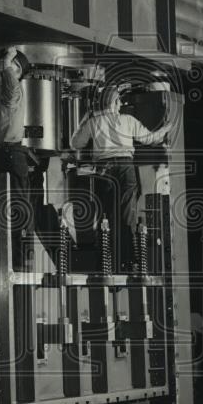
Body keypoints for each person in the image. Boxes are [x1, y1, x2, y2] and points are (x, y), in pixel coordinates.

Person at [70, 84, 169, 270]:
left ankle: (108, 262)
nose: (120, 105)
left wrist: (88, 116)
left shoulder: (94, 121)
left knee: (106, 214)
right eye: (119, 102)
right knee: (127, 213)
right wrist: (166, 129)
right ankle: (129, 260)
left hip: (103, 170)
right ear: (115, 102)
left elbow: (75, 142)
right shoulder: (127, 120)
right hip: (125, 168)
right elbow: (151, 139)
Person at [0, 46, 33, 270]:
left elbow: (9, 94)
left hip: (13, 152)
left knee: (19, 207)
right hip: (0, 151)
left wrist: (8, 59)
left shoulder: (14, 88)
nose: (9, 68)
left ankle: (23, 261)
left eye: (15, 67)